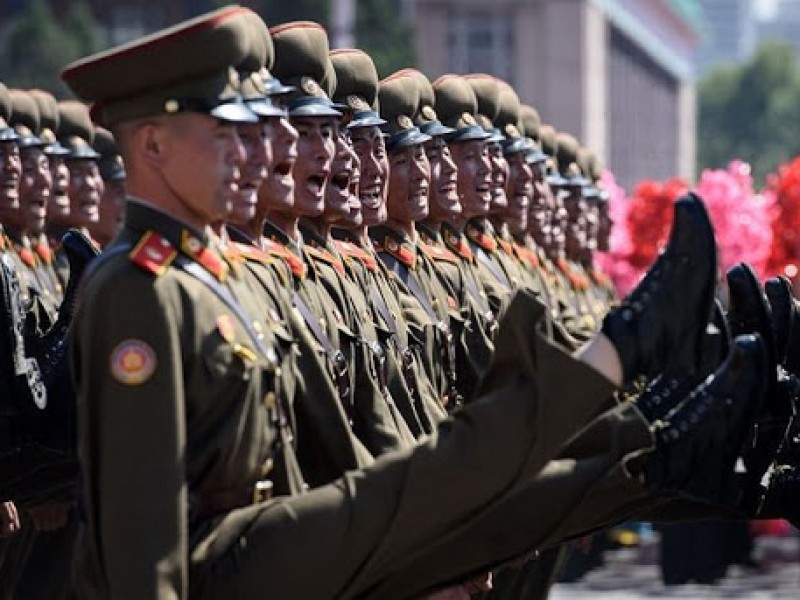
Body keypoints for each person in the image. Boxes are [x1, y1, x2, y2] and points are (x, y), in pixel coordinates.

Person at [65, 7, 764, 599]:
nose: (258, 154)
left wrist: (431, 540)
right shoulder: (139, 291)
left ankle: (659, 432)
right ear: (151, 143)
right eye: (230, 135)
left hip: (303, 557)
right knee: (429, 483)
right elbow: (149, 557)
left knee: (440, 481)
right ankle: (636, 381)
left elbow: (372, 465)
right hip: (254, 571)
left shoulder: (208, 280)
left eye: (257, 133)